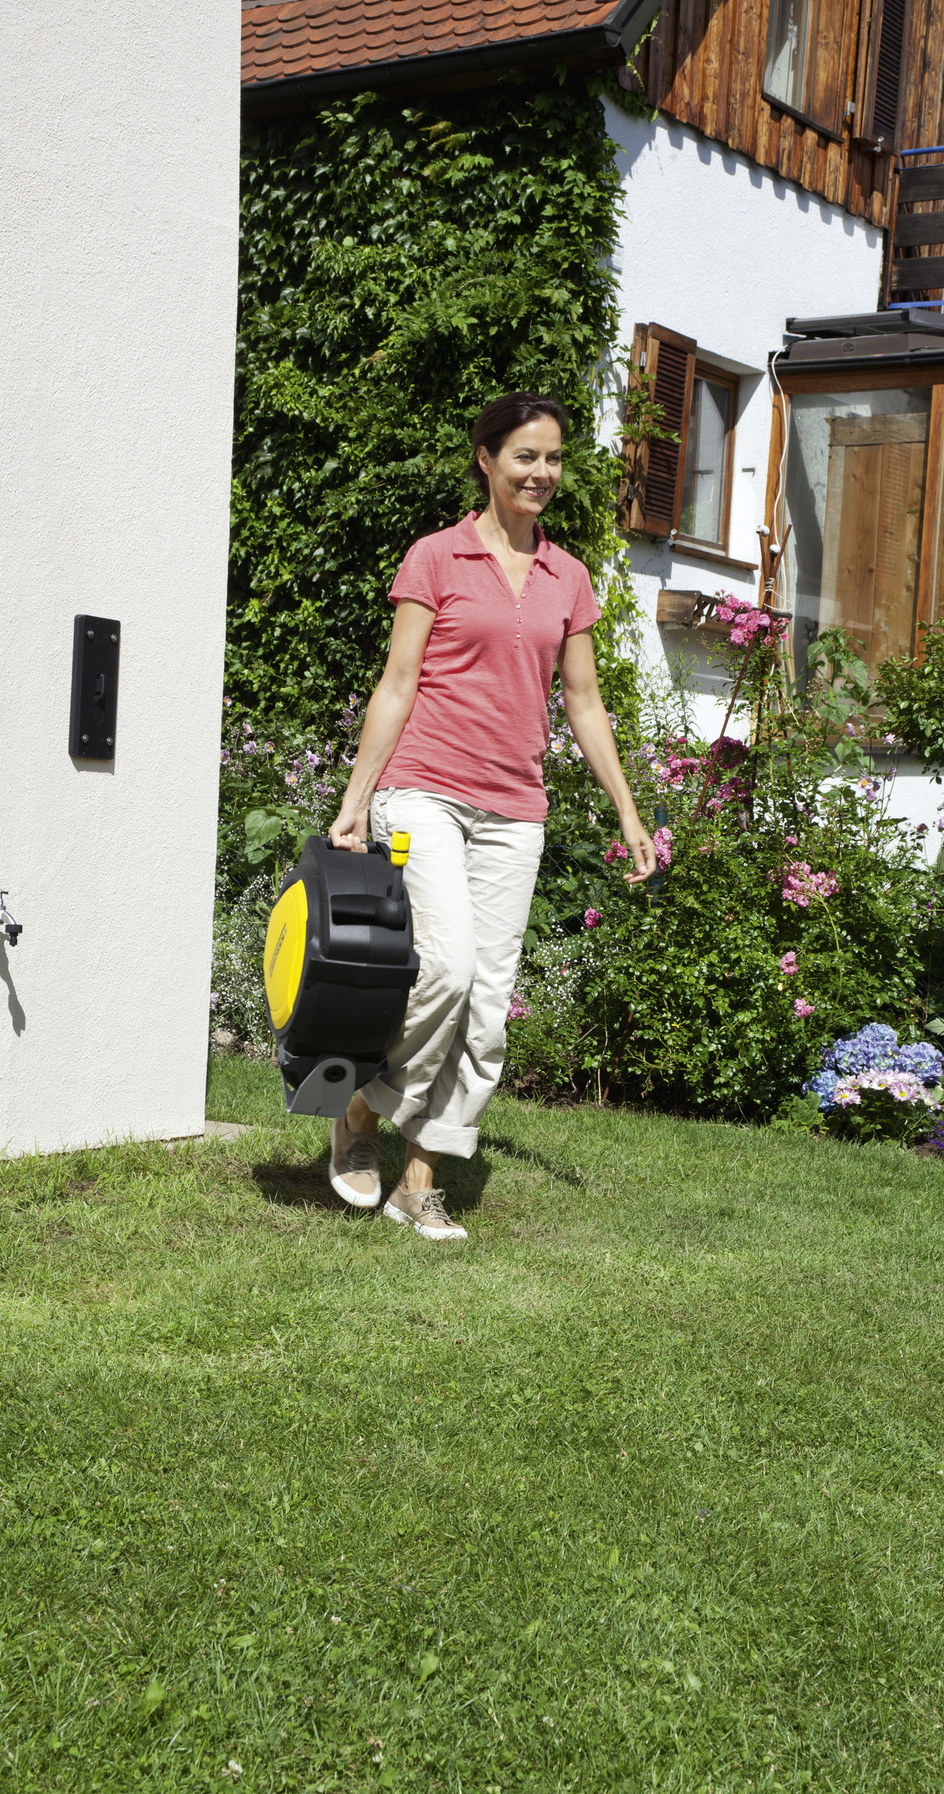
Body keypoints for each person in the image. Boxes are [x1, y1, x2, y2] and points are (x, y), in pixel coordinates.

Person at [325, 392, 655, 1241]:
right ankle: (359, 1113)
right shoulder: (436, 558)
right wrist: (357, 802)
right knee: (445, 970)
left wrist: (627, 812)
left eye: (554, 458)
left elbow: (584, 701)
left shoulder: (567, 576)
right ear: (486, 460)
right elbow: (398, 682)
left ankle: (418, 1183)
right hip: (425, 788)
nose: (542, 473)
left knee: (487, 1005)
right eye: (525, 457)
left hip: (515, 810)